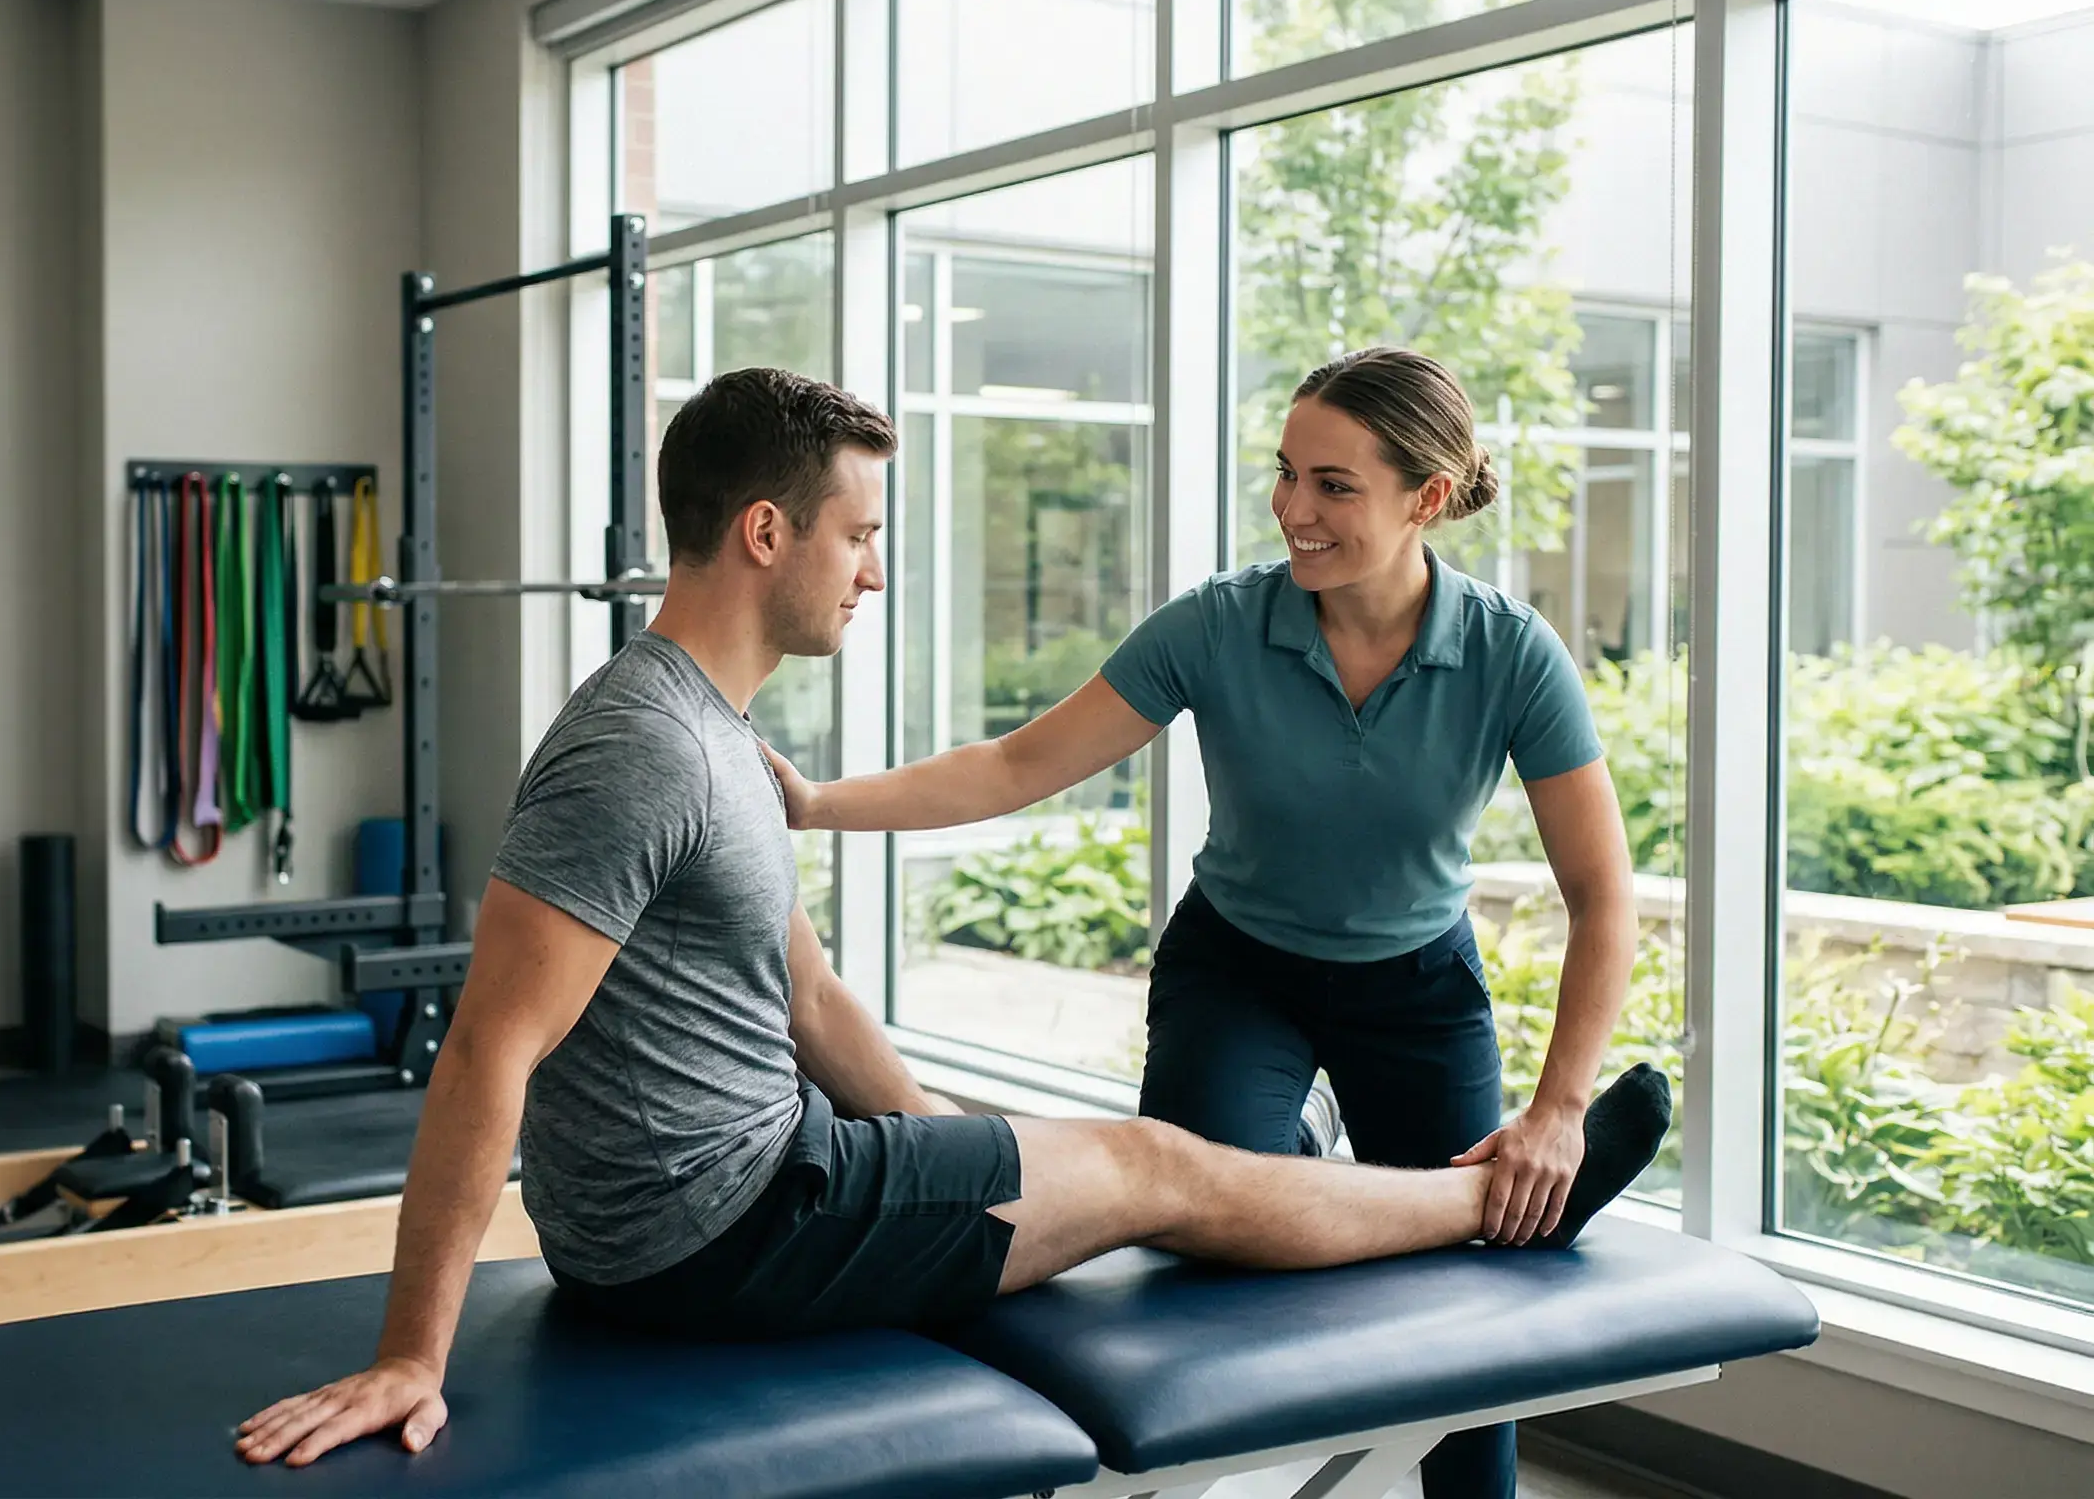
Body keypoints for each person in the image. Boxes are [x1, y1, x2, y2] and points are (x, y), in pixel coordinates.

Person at [234, 365, 1669, 1473]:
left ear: (1423, 501)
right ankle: (1484, 1200)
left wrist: (947, 1151)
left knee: (1082, 1157)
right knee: (1156, 1166)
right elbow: (489, 1046)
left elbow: (807, 1004)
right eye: (859, 536)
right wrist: (410, 1356)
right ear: (765, 530)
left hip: (744, 1190)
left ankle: (1439, 1195)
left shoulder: (709, 730)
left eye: (1330, 482)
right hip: (726, 1220)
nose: (872, 569)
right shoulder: (648, 750)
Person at [766, 345, 1641, 1499]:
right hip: (1241, 972)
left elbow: (1601, 891)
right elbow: (1020, 762)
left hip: (1416, 987)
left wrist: (1559, 1110)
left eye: (1333, 485)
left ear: (1426, 499)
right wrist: (821, 805)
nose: (1292, 510)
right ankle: (1298, 1169)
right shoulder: (1220, 627)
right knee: (1203, 1230)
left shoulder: (1508, 654)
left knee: (1468, 1303)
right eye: (1286, 473)